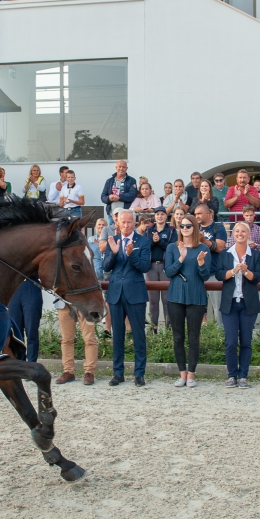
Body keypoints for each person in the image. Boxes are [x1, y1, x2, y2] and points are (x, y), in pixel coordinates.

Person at [103, 210, 152, 387]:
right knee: (118, 335)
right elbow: (106, 267)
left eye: (129, 222)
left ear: (134, 223)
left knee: (138, 335)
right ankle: (118, 373)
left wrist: (132, 255)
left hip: (135, 293)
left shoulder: (143, 241)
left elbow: (145, 267)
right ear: (117, 223)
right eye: (123, 222)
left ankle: (139, 373)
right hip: (116, 293)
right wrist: (114, 253)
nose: (126, 225)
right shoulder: (113, 240)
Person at [215, 221, 260, 389]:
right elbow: (219, 274)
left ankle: (243, 376)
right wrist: (234, 271)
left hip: (248, 304)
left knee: (246, 341)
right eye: (237, 231)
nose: (240, 234)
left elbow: (258, 277)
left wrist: (246, 271)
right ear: (233, 234)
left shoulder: (255, 255)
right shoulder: (225, 254)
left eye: (243, 231)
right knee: (230, 341)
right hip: (229, 304)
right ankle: (231, 375)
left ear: (249, 234)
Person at [165, 213, 210, 388]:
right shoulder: (172, 247)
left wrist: (201, 263)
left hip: (196, 295)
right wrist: (181, 258)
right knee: (177, 337)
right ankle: (182, 374)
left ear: (194, 228)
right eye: (181, 226)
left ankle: (191, 374)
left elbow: (205, 276)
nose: (184, 228)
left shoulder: (203, 248)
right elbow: (169, 272)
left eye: (188, 226)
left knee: (193, 337)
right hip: (175, 295)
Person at [144, 206, 177, 330]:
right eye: (157, 214)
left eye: (162, 214)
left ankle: (169, 329)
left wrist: (160, 241)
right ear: (154, 216)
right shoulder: (148, 230)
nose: (160, 216)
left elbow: (173, 248)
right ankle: (154, 329)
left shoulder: (171, 230)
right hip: (151, 266)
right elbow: (144, 247)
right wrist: (153, 241)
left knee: (166, 299)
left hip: (165, 266)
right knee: (153, 300)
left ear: (166, 216)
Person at [194, 203, 227, 325]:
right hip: (197, 274)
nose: (197, 216)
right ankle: (200, 333)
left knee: (218, 308)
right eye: (195, 214)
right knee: (198, 308)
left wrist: (203, 240)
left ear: (208, 213)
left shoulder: (218, 228)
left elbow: (220, 247)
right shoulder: (193, 228)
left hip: (214, 273)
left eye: (199, 213)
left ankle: (219, 333)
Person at [9, 279, 44, 366]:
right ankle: (19, 364)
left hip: (31, 285)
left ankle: (31, 364)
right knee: (15, 333)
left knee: (32, 331)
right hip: (13, 287)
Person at [100, 160, 138, 225]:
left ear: (127, 168)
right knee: (112, 230)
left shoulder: (131, 180)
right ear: (116, 167)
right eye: (119, 166)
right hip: (112, 215)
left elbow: (132, 195)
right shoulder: (109, 181)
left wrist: (119, 197)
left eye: (123, 167)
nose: (121, 169)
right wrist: (109, 198)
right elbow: (103, 197)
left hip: (126, 215)